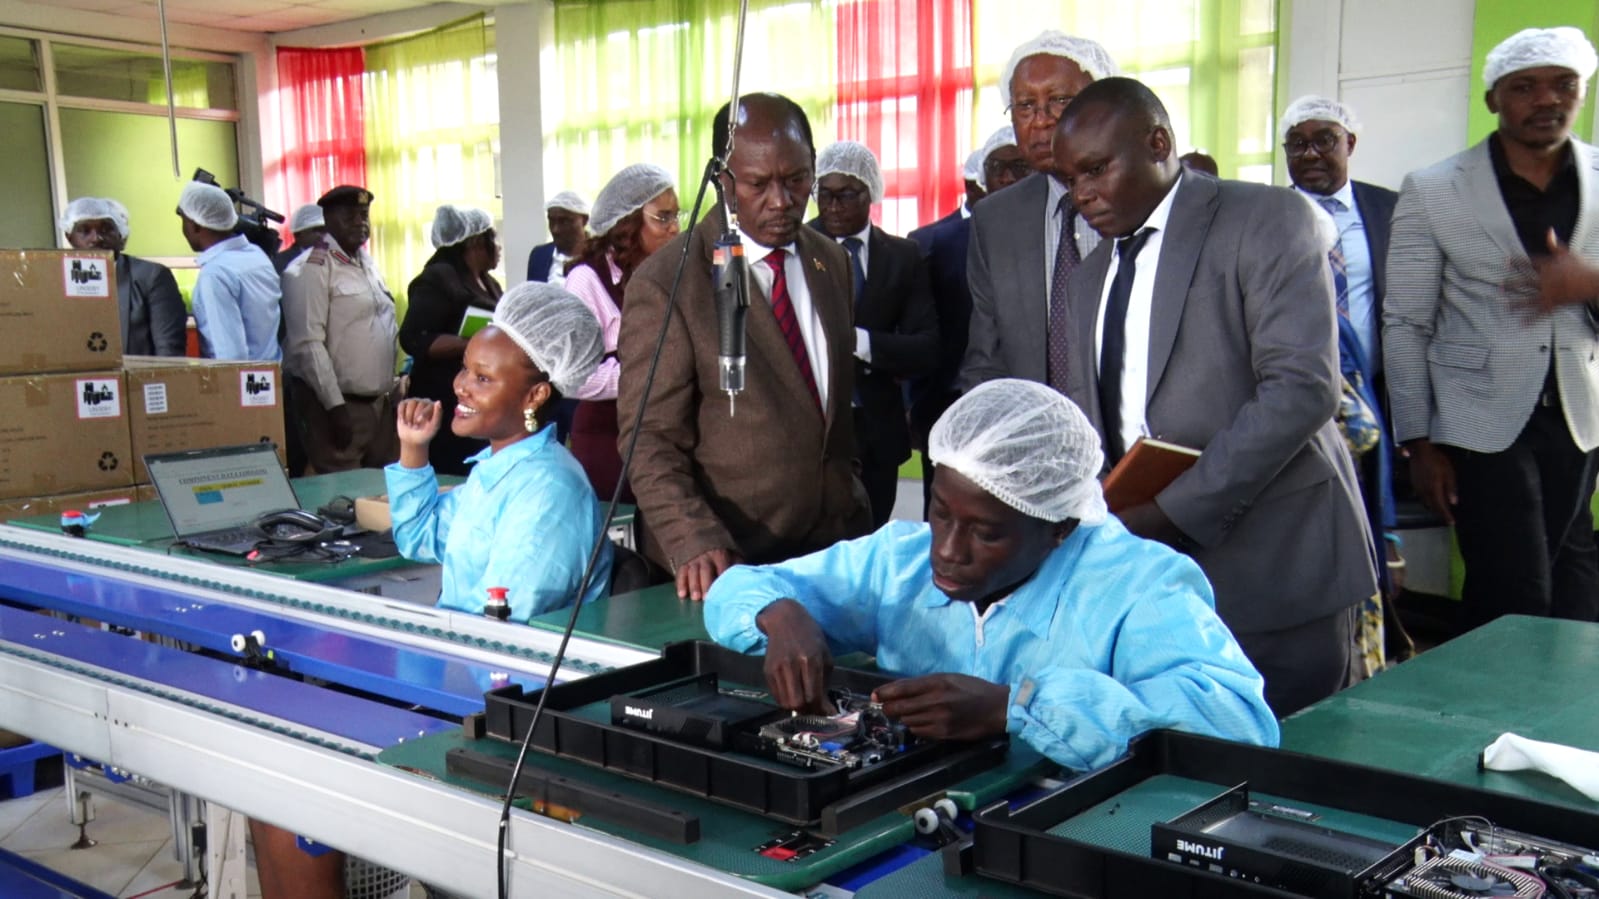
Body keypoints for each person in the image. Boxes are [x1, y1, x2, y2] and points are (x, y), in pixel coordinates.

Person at [705, 379, 1278, 772]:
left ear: (1059, 528)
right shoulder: (897, 562)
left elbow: (1239, 722)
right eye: (940, 513)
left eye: (986, 533)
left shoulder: (1138, 585)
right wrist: (781, 616)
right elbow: (737, 589)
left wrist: (1017, 706)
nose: (948, 551)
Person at [1054, 77, 1376, 717]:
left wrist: (1172, 511)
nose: (1081, 194)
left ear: (1159, 144)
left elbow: (1301, 389)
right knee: (1191, 763)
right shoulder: (1089, 277)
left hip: (1276, 569)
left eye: (1095, 169)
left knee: (1294, 758)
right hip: (1156, 578)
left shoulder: (1265, 219)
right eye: (1069, 179)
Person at [617, 93, 872, 600]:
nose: (781, 200)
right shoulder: (670, 283)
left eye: (797, 179)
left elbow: (829, 406)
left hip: (834, 547)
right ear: (722, 179)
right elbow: (649, 439)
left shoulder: (830, 261)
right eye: (758, 184)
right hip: (730, 562)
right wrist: (693, 537)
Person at [1385, 27, 1599, 626]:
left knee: (1575, 570)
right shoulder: (1433, 188)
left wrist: (1589, 283)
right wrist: (1419, 443)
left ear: (1583, 92)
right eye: (1524, 87)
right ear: (1493, 99)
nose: (1546, 99)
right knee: (1514, 583)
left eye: (1563, 85)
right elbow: (1405, 323)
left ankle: (1570, 687)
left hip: (1580, 414)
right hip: (1476, 418)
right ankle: (1499, 684)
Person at [387, 281, 613, 621]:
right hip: (465, 645)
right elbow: (418, 537)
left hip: (502, 653)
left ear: (535, 396)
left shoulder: (549, 490)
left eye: (483, 378)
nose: (460, 386)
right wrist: (414, 447)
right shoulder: (499, 470)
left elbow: (502, 620)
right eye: (465, 368)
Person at [1280, 95, 1406, 668]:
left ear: (1349, 143)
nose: (1310, 154)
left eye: (1323, 141)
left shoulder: (1390, 209)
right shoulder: (1268, 216)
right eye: (1297, 144)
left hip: (1376, 388)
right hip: (1313, 401)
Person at [959, 31, 1118, 393]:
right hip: (1034, 424)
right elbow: (986, 360)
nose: (1041, 120)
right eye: (1025, 106)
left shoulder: (1138, 201)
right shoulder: (995, 220)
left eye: (1059, 100)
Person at [808, 140, 938, 526]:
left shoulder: (902, 256)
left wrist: (860, 342)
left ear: (870, 193)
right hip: (812, 432)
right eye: (824, 195)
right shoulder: (797, 247)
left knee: (874, 536)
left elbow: (927, 347)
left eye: (845, 195)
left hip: (879, 430)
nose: (833, 206)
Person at [908, 127, 1028, 516]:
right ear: (980, 177)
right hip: (949, 401)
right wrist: (916, 403)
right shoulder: (939, 242)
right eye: (998, 168)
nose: (1008, 177)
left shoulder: (1059, 234)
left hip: (1031, 399)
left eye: (1019, 166)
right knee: (949, 510)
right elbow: (923, 328)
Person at [564, 164, 680, 501]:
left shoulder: (667, 272)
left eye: (676, 216)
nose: (675, 228)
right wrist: (648, 375)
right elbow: (574, 378)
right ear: (627, 223)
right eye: (663, 218)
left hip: (663, 432)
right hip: (607, 437)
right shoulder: (587, 279)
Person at [281, 184, 400, 473]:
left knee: (383, 489)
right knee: (345, 491)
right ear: (328, 220)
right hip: (340, 407)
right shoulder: (311, 268)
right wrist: (335, 407)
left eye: (364, 215)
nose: (360, 222)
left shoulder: (365, 263)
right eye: (349, 216)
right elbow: (307, 345)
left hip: (380, 406)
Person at [395, 205, 504, 476]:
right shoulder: (438, 278)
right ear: (476, 241)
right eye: (493, 238)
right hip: (443, 395)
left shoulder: (489, 282)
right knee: (452, 469)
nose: (498, 247)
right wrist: (472, 344)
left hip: (476, 394)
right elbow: (414, 338)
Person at [60, 197, 186, 357]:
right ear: (69, 237)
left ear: (121, 234)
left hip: (137, 372)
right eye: (85, 231)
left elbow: (169, 350)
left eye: (106, 230)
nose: (96, 238)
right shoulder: (57, 280)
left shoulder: (151, 276)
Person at [177, 181, 283, 362]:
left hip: (238, 378)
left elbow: (231, 355)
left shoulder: (215, 274)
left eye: (184, 221)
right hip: (270, 373)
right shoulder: (257, 255)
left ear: (195, 226)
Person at [526, 190, 590, 286]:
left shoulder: (600, 256)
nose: (555, 229)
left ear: (584, 220)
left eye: (564, 221)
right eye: (551, 221)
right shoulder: (539, 256)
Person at [273, 204, 326, 273]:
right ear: (299, 233)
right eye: (318, 230)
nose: (322, 235)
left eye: (325, 230)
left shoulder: (332, 259)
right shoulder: (281, 261)